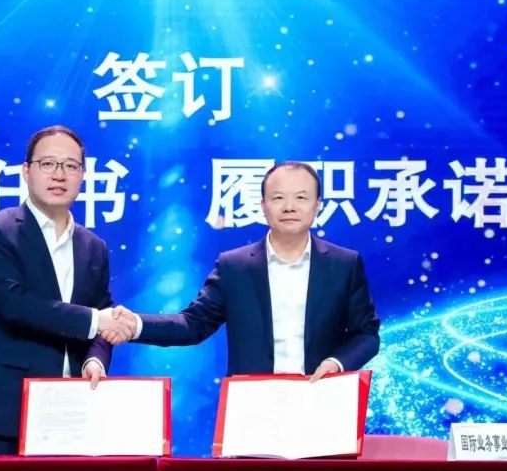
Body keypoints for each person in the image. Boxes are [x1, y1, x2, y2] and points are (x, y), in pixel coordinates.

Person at [107, 161, 380, 379]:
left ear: (317, 204)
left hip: (321, 399)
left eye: (301, 197)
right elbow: (193, 324)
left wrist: (336, 363)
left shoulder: (344, 264)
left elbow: (366, 334)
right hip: (251, 407)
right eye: (278, 198)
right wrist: (136, 325)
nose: (289, 207)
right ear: (263, 206)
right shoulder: (234, 266)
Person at [0, 125, 133, 454]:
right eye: (48, 163)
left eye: (70, 165)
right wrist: (97, 320)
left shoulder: (93, 246)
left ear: (82, 175)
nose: (59, 174)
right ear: (27, 171)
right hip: (1, 416)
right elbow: (14, 305)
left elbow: (103, 314)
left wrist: (95, 360)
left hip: (73, 413)